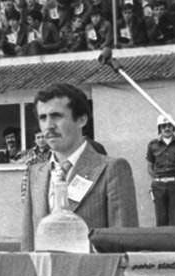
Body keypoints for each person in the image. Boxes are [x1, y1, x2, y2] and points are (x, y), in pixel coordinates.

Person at [21, 82, 139, 248]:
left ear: (81, 120)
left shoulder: (111, 169)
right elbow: (28, 241)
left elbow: (124, 242)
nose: (49, 126)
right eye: (43, 118)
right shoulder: (35, 174)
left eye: (56, 116)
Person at [146, 115, 175, 227]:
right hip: (159, 186)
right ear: (159, 128)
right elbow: (149, 167)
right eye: (163, 126)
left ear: (173, 127)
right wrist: (158, 180)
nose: (167, 128)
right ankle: (163, 239)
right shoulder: (153, 145)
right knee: (161, 218)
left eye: (169, 125)